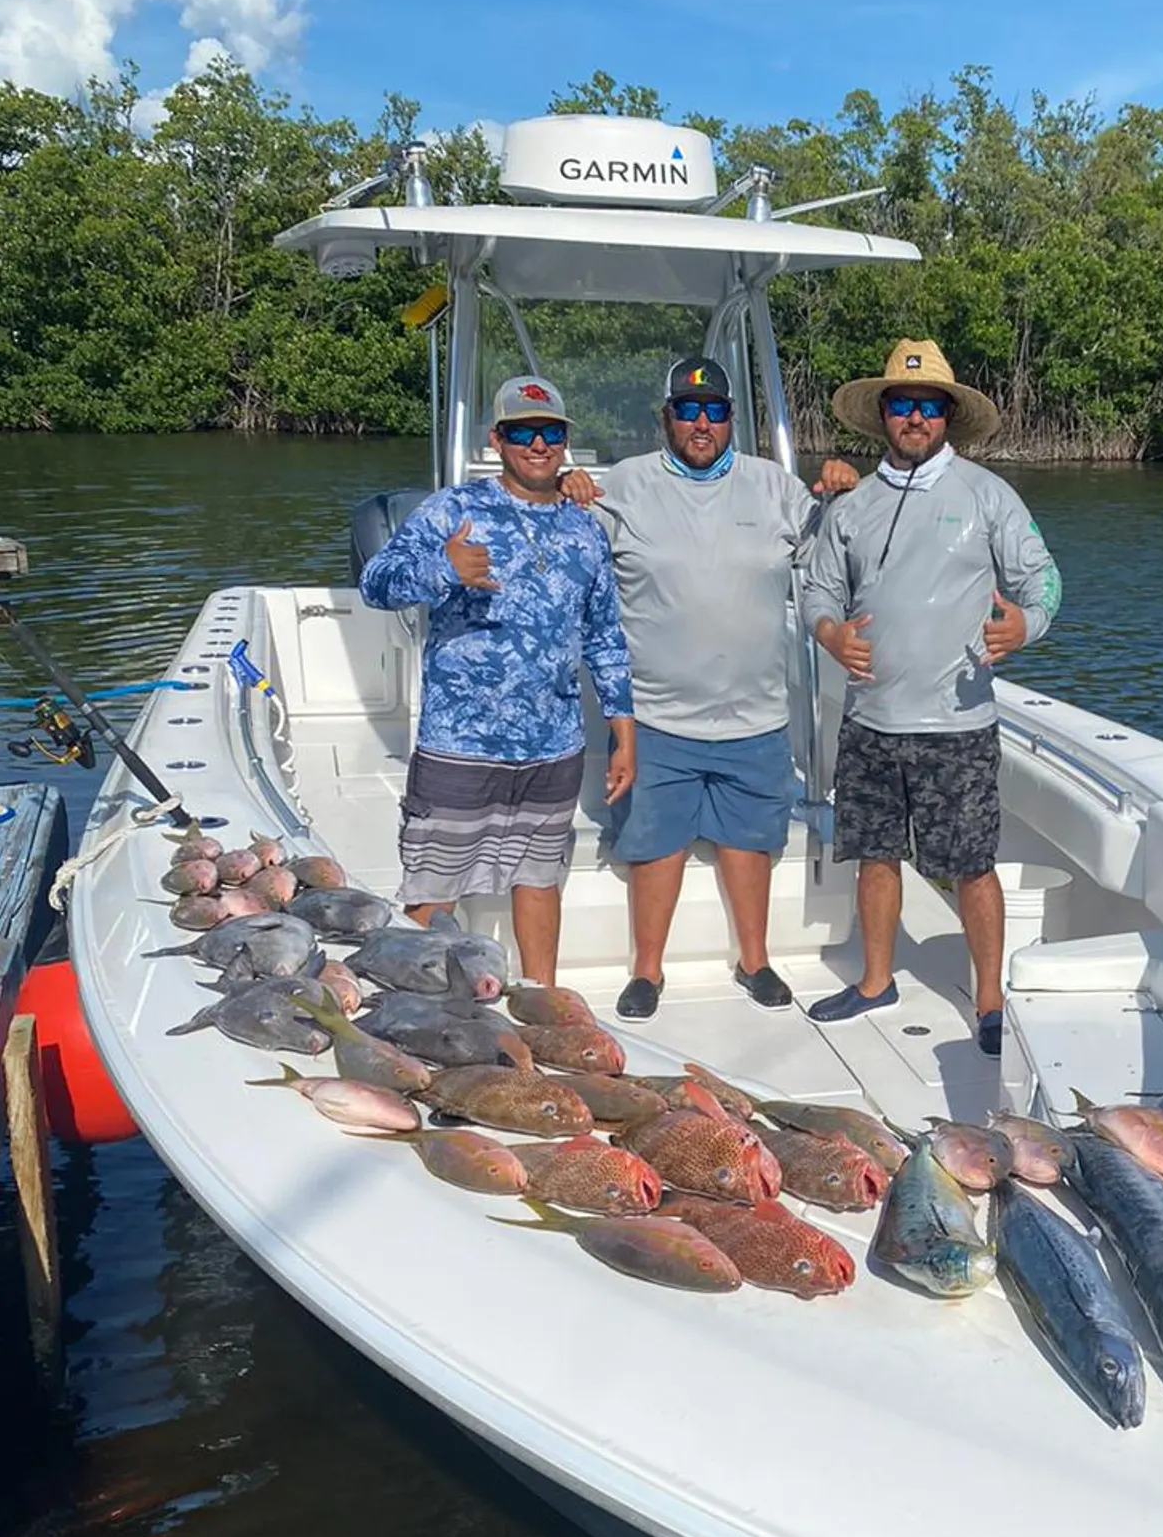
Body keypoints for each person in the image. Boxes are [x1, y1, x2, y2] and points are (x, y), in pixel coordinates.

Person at [800, 338, 1062, 1057]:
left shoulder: (987, 496)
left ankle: (988, 998)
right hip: (870, 719)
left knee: (972, 865)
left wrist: (1024, 626)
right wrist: (828, 632)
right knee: (875, 856)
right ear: (883, 414)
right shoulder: (850, 504)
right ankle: (876, 979)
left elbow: (1044, 580)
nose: (915, 417)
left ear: (948, 417)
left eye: (929, 406)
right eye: (902, 404)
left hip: (959, 723)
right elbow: (817, 588)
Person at [568, 356, 846, 1021]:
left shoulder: (774, 486)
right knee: (654, 842)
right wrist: (564, 488)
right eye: (687, 411)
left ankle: (755, 961)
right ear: (665, 417)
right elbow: (566, 555)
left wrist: (842, 492)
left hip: (756, 715)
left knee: (751, 840)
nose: (701, 423)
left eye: (715, 411)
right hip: (656, 718)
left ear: (731, 420)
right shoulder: (624, 485)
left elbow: (837, 554)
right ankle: (647, 971)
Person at [357, 375, 636, 987]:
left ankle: (543, 1003)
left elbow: (605, 638)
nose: (538, 444)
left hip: (554, 745)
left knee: (539, 880)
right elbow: (375, 582)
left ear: (566, 441)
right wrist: (442, 569)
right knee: (433, 892)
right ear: (497, 439)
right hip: (460, 746)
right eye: (521, 432)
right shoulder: (455, 509)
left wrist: (623, 732)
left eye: (551, 432)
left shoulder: (586, 528)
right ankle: (433, 1010)